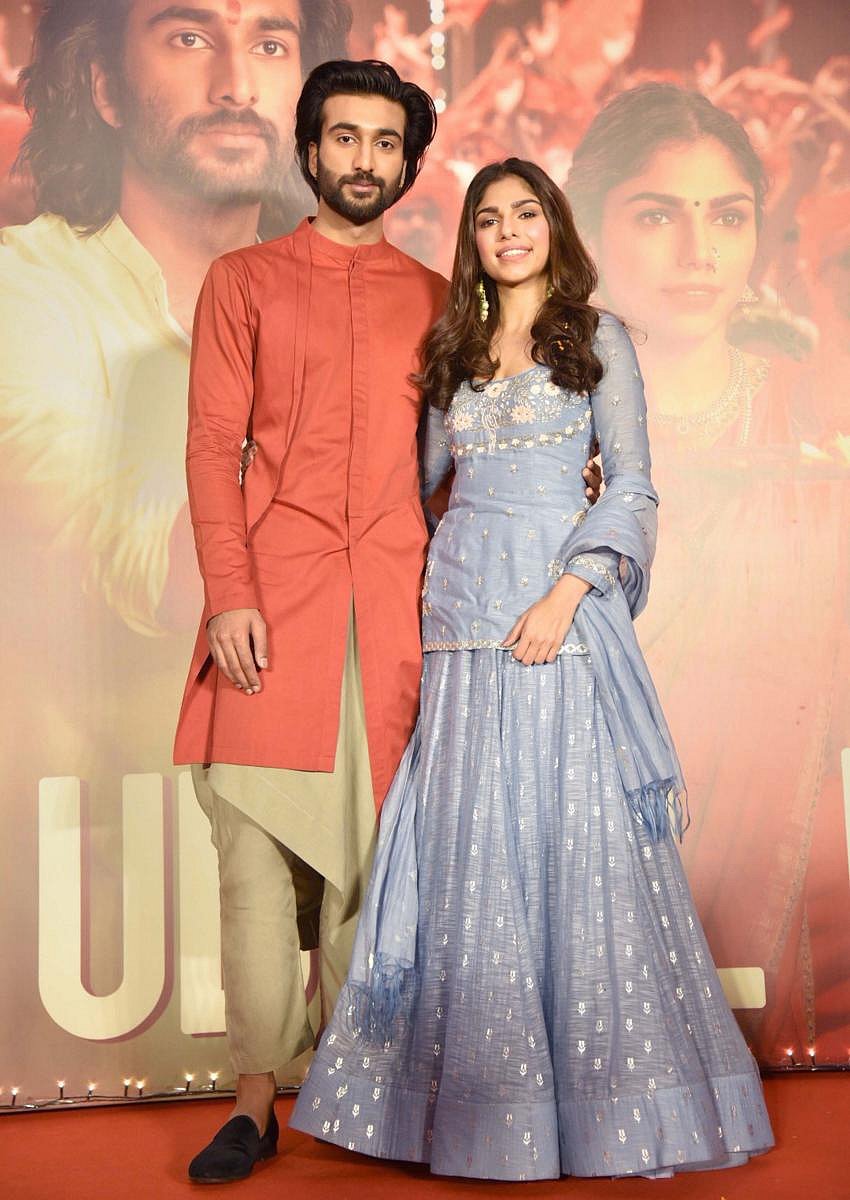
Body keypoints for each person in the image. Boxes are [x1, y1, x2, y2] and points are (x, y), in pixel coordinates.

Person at [290, 158, 774, 1181]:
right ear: (470, 240)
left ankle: (596, 1115)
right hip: (459, 633)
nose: (507, 231)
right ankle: (468, 1114)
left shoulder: (597, 341)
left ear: (553, 226)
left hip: (554, 631)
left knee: (573, 853)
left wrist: (567, 592)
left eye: (525, 214)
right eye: (487, 219)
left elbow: (634, 488)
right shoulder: (454, 351)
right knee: (469, 865)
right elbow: (418, 489)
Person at [174, 60, 603, 1184]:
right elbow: (212, 451)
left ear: (407, 165)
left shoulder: (437, 302)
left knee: (390, 868)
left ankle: (371, 1095)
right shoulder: (242, 281)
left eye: (383, 143)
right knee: (256, 866)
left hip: (408, 618)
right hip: (270, 608)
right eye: (342, 137)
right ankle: (253, 1102)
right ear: (308, 152)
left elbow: (471, 464)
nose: (362, 158)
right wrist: (229, 592)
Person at [566, 83, 850, 1063]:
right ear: (588, 229)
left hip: (791, 879)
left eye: (728, 217)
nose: (701, 253)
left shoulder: (815, 418)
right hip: (582, 842)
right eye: (658, 215)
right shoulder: (534, 423)